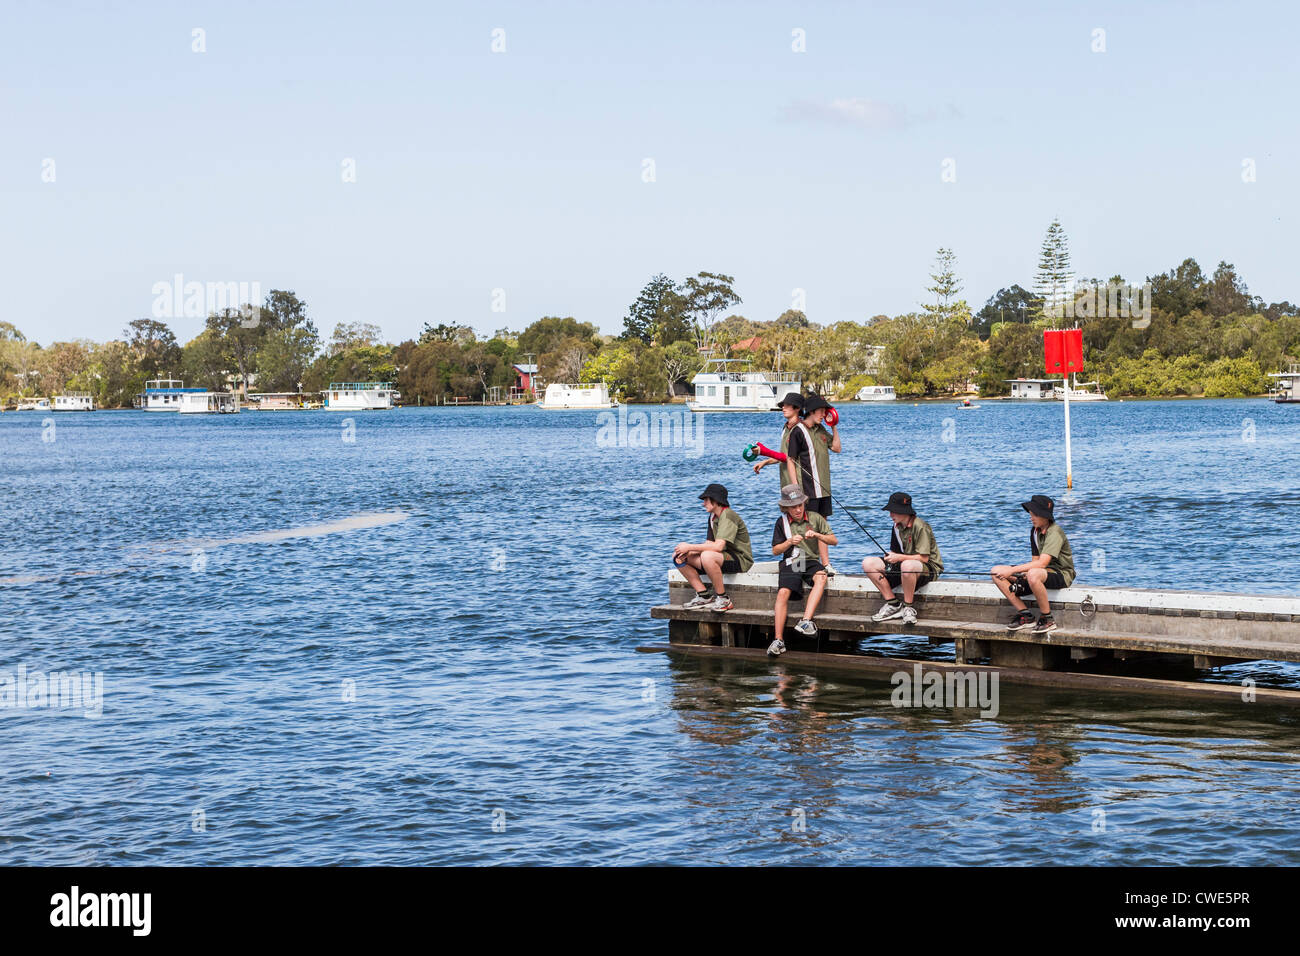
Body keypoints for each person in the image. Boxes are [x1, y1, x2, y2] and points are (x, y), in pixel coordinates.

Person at [767, 483, 838, 656]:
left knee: (821, 577)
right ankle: (778, 640)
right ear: (786, 508)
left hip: (810, 560)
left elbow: (833, 540)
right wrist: (789, 542)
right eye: (793, 507)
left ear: (804, 504)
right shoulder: (781, 522)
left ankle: (806, 621)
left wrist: (817, 535)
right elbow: (776, 550)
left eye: (800, 505)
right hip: (793, 560)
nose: (797, 510)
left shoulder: (815, 518)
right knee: (783, 592)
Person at [990, 494, 1076, 633]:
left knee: (1033, 574)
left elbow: (1042, 564)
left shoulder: (1055, 532)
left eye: (1035, 514)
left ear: (1045, 516)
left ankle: (1047, 618)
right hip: (1041, 573)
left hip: (1061, 574)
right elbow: (1035, 561)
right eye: (1030, 514)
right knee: (996, 571)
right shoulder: (1034, 531)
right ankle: (1026, 615)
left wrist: (1012, 571)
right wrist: (1020, 574)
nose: (1031, 517)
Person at [862, 492, 943, 625]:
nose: (890, 515)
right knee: (868, 563)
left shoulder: (920, 526)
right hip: (905, 564)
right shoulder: (896, 527)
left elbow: (924, 558)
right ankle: (893, 604)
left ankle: (908, 607)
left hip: (928, 568)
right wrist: (890, 557)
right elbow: (896, 551)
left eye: (893, 511)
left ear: (904, 511)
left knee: (907, 565)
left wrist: (899, 557)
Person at [672, 483, 753, 612]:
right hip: (722, 557)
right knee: (679, 556)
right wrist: (689, 551)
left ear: (715, 501)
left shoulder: (728, 515)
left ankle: (723, 599)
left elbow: (719, 546)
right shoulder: (712, 517)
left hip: (740, 559)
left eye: (705, 500)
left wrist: (689, 546)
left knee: (707, 556)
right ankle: (704, 596)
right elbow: (709, 544)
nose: (703, 503)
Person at [792, 393, 840, 518]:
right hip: (808, 490)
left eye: (825, 412)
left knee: (823, 527)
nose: (824, 415)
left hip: (824, 489)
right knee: (810, 526)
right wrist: (796, 489)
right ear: (812, 411)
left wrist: (833, 426)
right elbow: (790, 460)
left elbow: (837, 448)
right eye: (822, 411)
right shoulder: (798, 431)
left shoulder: (821, 429)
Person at [752, 392, 805, 493]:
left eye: (787, 405)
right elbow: (783, 455)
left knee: (800, 509)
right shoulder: (785, 428)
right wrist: (765, 462)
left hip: (799, 483)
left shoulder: (801, 430)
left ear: (797, 408)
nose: (783, 408)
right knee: (787, 508)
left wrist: (763, 451)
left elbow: (788, 458)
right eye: (783, 405)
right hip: (785, 483)